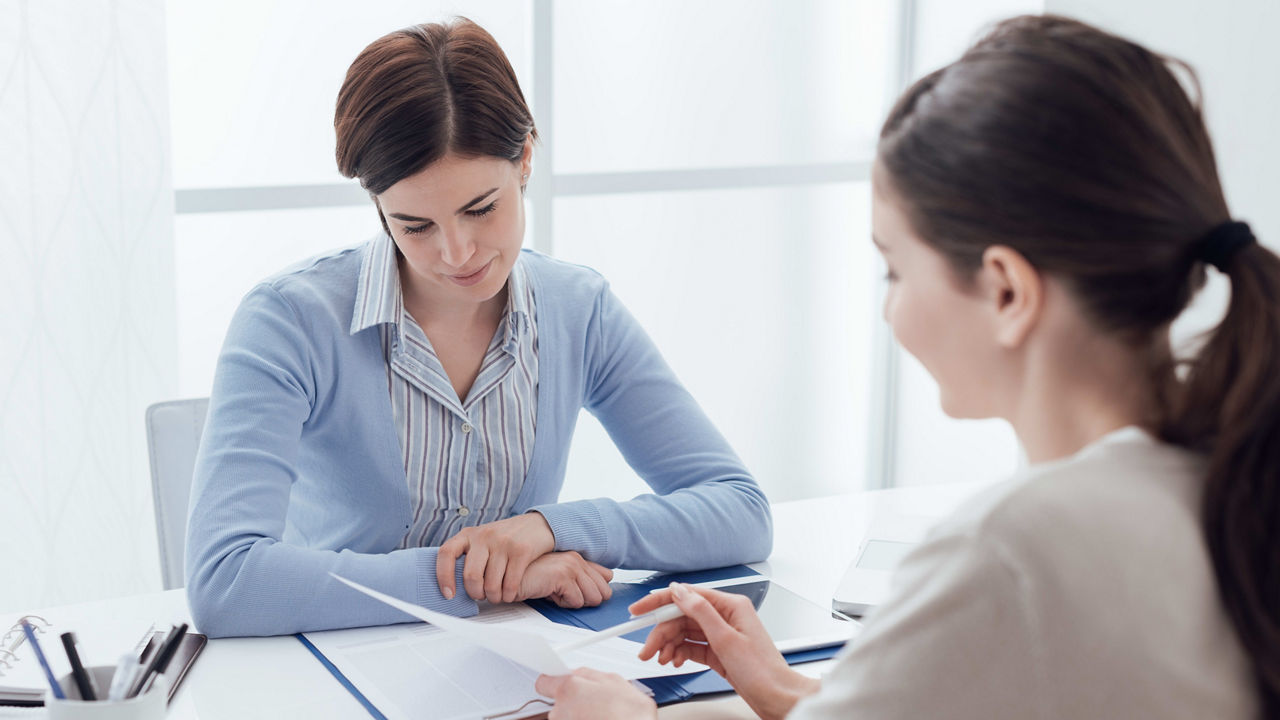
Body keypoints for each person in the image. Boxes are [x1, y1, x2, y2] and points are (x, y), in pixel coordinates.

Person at [535, 14, 1277, 719]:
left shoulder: (1015, 551)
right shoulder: (1228, 477)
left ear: (1007, 291)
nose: (888, 310)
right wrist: (786, 689)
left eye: (893, 269)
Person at [184, 18, 771, 638]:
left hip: (515, 663)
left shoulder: (578, 309)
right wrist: (475, 578)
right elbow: (225, 581)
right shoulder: (289, 320)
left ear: (523, 161)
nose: (457, 252)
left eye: (481, 209)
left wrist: (551, 527)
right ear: (377, 204)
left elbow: (738, 509)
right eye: (415, 226)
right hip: (335, 665)